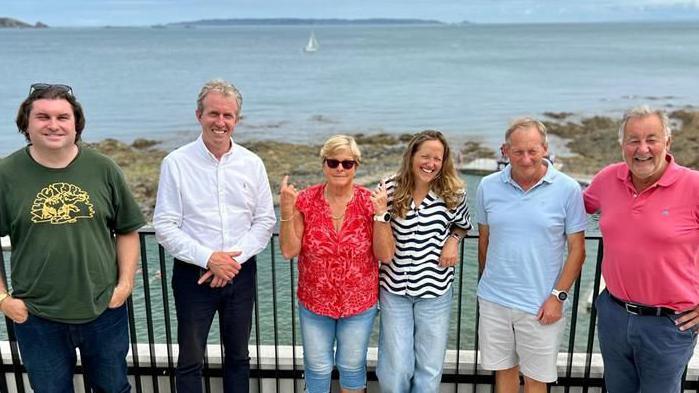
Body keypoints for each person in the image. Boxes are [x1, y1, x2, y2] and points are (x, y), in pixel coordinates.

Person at [0, 83, 145, 392]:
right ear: (26, 123)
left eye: (62, 117)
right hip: (37, 317)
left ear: (76, 123)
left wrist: (125, 286)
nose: (54, 125)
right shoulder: (6, 174)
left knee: (114, 389)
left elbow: (128, 229)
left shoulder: (103, 168)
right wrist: (3, 300)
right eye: (43, 117)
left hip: (104, 311)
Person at [153, 79, 276, 392]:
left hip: (240, 273)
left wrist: (230, 262)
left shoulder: (252, 163)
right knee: (190, 360)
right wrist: (210, 259)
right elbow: (165, 225)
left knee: (238, 356)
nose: (220, 122)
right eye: (213, 114)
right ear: (199, 115)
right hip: (193, 275)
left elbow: (264, 221)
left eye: (228, 116)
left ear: (237, 120)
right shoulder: (177, 163)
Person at [584, 106, 699, 393]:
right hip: (614, 315)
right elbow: (562, 209)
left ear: (667, 143)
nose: (642, 149)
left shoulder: (694, 185)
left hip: (669, 325)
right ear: (622, 146)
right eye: (633, 140)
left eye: (652, 139)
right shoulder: (608, 179)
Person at [475, 117, 586, 393]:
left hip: (541, 305)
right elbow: (485, 241)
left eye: (533, 151)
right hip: (494, 301)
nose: (526, 159)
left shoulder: (568, 189)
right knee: (504, 374)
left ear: (545, 148)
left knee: (537, 380)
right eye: (518, 151)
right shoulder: (487, 187)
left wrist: (557, 296)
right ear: (505, 151)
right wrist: (488, 285)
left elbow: (578, 250)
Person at [373, 130, 472, 393]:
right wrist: (380, 213)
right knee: (395, 365)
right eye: (425, 156)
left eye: (437, 158)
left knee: (429, 366)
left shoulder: (454, 193)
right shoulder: (389, 188)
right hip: (394, 291)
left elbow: (462, 226)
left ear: (444, 161)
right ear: (412, 156)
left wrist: (453, 240)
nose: (430, 163)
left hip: (435, 291)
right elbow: (375, 230)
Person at [279, 135, 379, 393]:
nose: (340, 169)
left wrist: (382, 216)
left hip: (359, 303)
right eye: (333, 162)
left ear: (356, 166)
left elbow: (385, 254)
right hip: (315, 303)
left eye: (347, 163)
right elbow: (289, 250)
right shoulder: (306, 201)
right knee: (317, 368)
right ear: (323, 164)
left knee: (352, 366)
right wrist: (287, 211)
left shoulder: (370, 203)